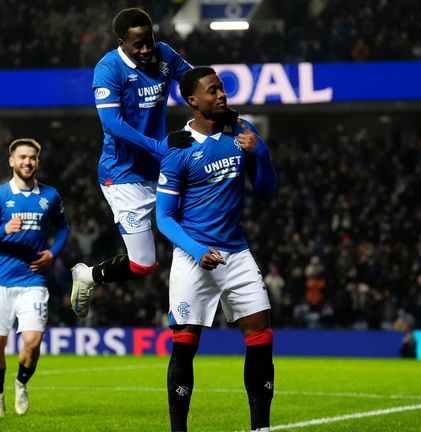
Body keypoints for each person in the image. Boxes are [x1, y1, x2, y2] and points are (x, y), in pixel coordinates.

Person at [155, 66, 278, 432]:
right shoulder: (178, 148)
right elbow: (163, 218)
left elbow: (268, 193)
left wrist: (261, 153)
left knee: (261, 336)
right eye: (213, 90)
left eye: (222, 88)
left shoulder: (242, 133)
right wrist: (195, 249)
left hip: (236, 254)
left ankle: (261, 427)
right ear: (193, 101)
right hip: (194, 258)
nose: (222, 94)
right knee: (185, 346)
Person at [69, 7, 194, 318]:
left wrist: (218, 109)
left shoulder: (164, 54)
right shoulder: (108, 69)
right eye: (137, 44)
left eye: (149, 40)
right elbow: (113, 125)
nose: (146, 49)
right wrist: (159, 147)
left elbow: (194, 83)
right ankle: (86, 276)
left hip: (161, 167)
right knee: (143, 265)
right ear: (121, 42)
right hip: (123, 175)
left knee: (197, 228)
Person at [0, 138, 69, 418]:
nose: (28, 162)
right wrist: (4, 229)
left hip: (33, 280)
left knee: (32, 341)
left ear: (37, 161)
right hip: (1, 281)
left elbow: (64, 228)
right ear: (11, 161)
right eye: (22, 157)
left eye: (32, 158)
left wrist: (53, 253)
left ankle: (21, 383)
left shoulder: (50, 196)